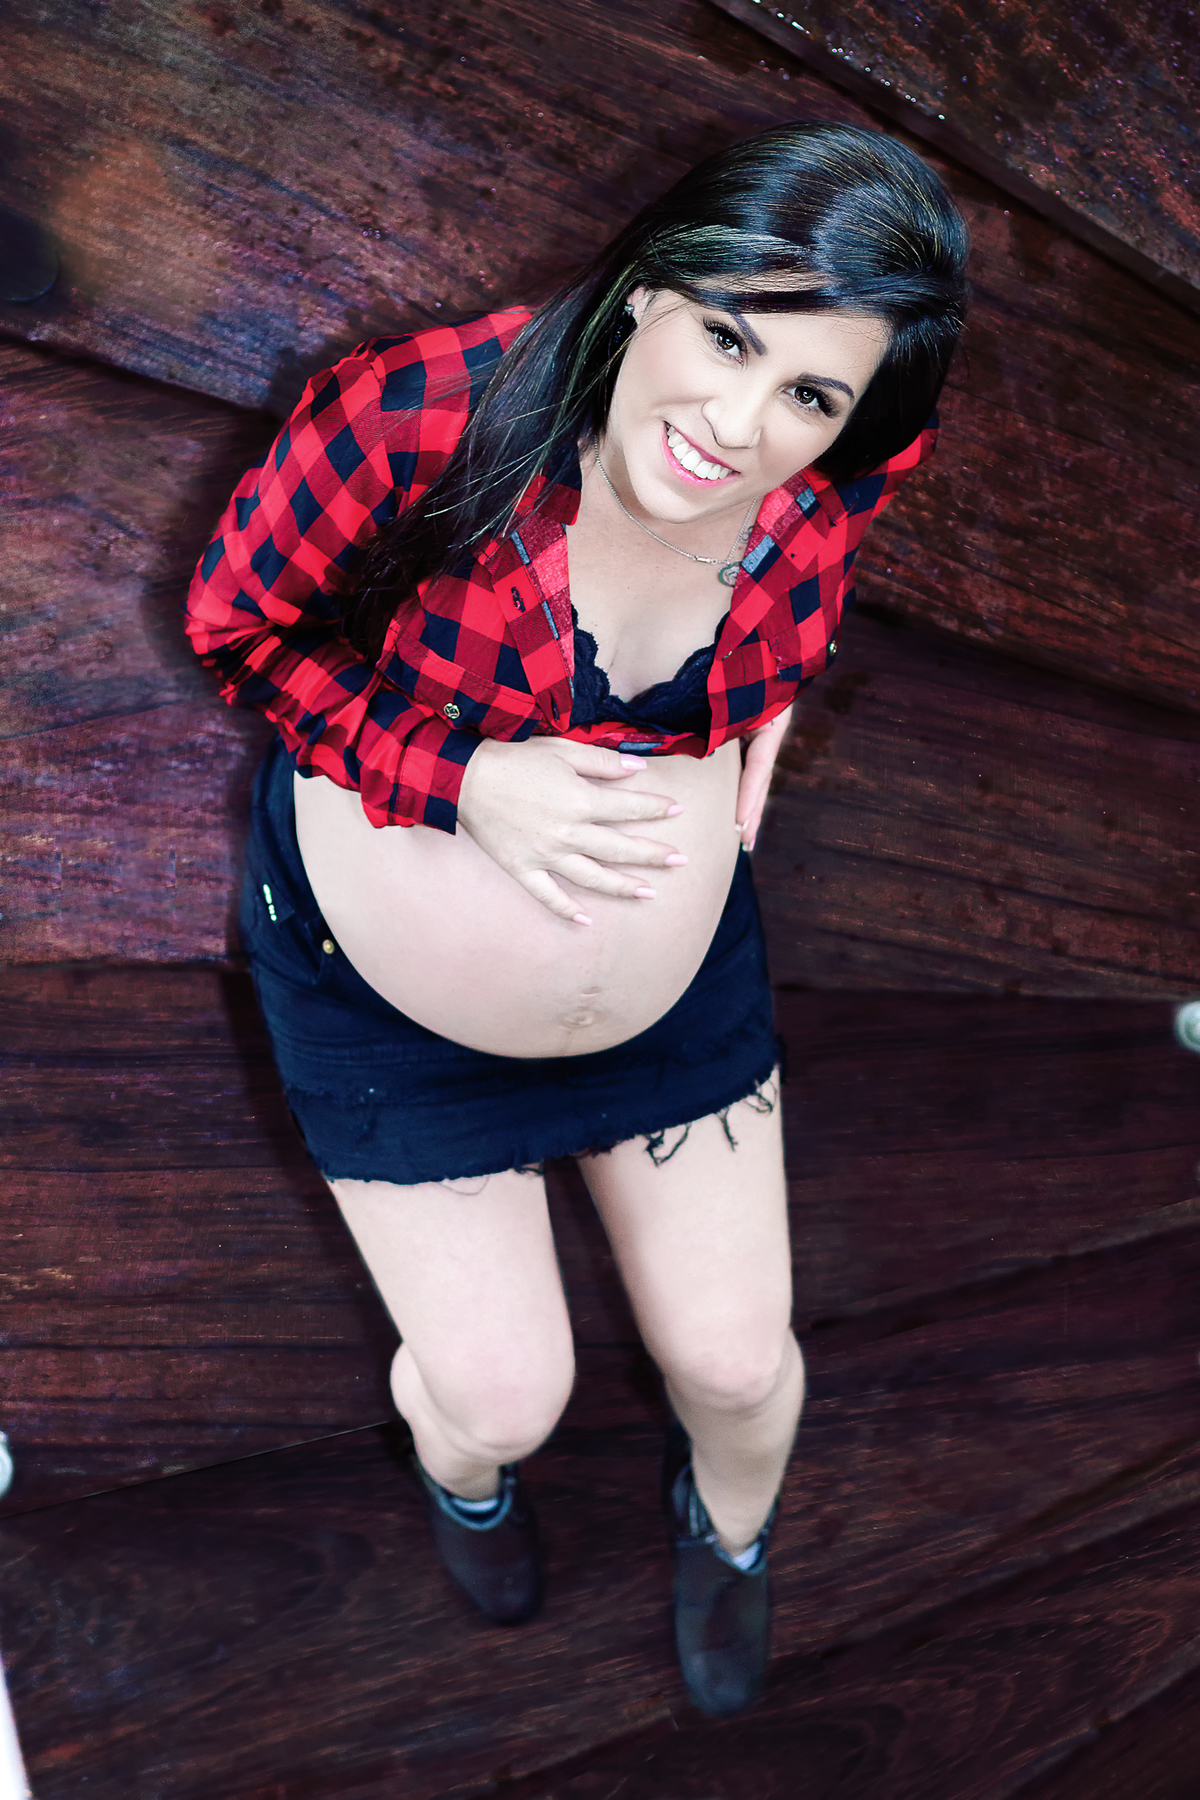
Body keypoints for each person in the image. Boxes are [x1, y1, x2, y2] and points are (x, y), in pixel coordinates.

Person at [186, 120, 968, 1716]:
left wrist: (771, 704)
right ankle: (467, 1483)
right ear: (651, 285)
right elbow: (237, 625)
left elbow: (861, 467)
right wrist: (464, 779)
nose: (739, 429)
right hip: (389, 1006)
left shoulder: (843, 456)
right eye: (727, 339)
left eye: (807, 397)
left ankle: (730, 1535)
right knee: (502, 1398)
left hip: (673, 1000)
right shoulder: (424, 414)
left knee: (737, 1363)